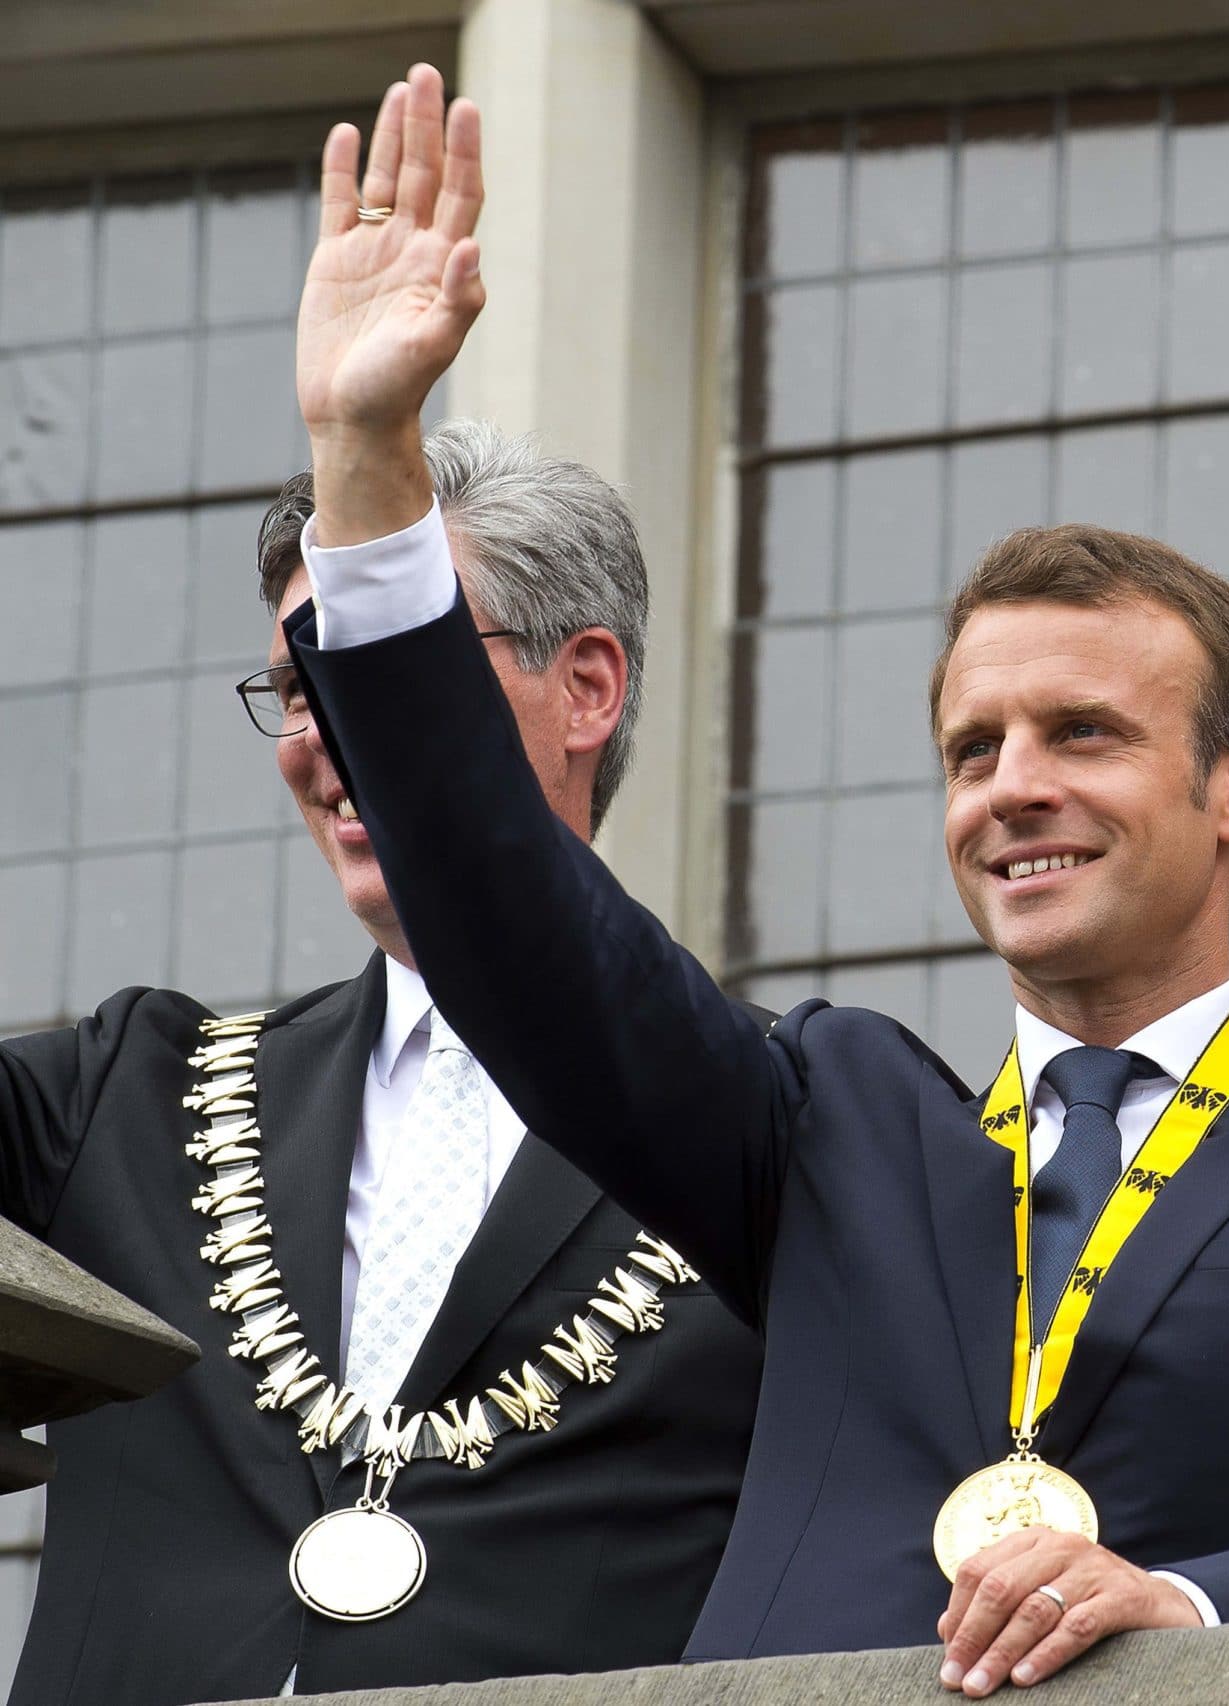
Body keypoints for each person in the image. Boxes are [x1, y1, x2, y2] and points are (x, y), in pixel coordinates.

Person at [280, 63, 1229, 1699]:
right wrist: (364, 455)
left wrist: (1172, 1603)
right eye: (974, 750)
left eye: (1082, 733)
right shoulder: (831, 1131)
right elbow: (511, 914)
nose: (1012, 785)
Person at [0, 91, 762, 1706]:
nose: (330, 742)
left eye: (383, 661)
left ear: (588, 686)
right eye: (298, 685)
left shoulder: (786, 1133)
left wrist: (365, 445)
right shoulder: (124, 1101)